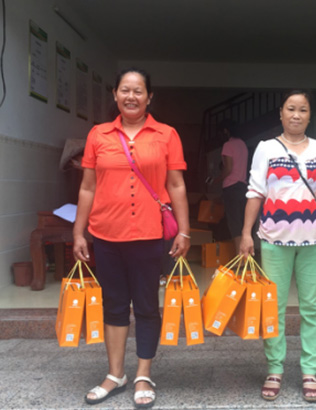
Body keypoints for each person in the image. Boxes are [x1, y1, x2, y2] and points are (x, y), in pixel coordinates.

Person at [72, 67, 191, 408]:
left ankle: (142, 374)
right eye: (125, 90)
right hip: (106, 234)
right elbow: (88, 187)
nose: (131, 96)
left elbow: (176, 185)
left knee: (146, 305)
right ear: (115, 94)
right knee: (114, 304)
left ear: (149, 97)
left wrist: (184, 230)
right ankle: (115, 374)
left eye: (139, 91)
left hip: (150, 235)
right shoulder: (98, 134)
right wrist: (78, 231)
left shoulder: (166, 134)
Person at [240, 90, 316, 403]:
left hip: (314, 239)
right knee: (274, 307)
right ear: (281, 113)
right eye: (291, 109)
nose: (296, 115)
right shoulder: (266, 148)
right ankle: (275, 368)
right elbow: (255, 191)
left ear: (310, 116)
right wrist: (246, 233)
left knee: (312, 307)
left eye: (303, 110)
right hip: (274, 239)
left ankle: (310, 370)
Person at [218, 119, 248, 253]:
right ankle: (246, 256)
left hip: (231, 187)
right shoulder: (243, 144)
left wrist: (217, 179)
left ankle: (240, 257)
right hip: (243, 187)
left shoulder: (228, 145)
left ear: (226, 131)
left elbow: (228, 168)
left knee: (234, 223)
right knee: (242, 222)